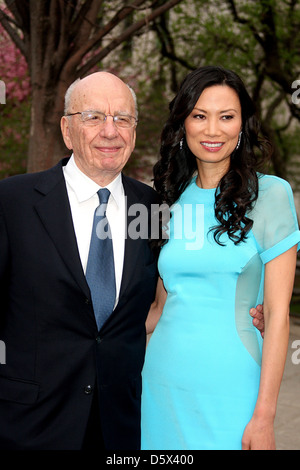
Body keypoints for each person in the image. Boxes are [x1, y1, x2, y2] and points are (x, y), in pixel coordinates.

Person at [0, 70, 264, 450]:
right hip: (26, 426)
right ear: (66, 129)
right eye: (93, 117)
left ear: (134, 131)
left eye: (122, 118)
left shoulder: (154, 209)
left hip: (123, 426)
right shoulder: (12, 203)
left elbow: (174, 294)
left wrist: (256, 306)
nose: (111, 131)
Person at [141, 65, 300, 450]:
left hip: (234, 387)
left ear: (242, 124)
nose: (213, 130)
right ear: (184, 124)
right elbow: (159, 309)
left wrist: (264, 416)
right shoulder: (165, 200)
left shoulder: (272, 195)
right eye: (199, 116)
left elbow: (278, 318)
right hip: (161, 381)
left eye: (226, 117)